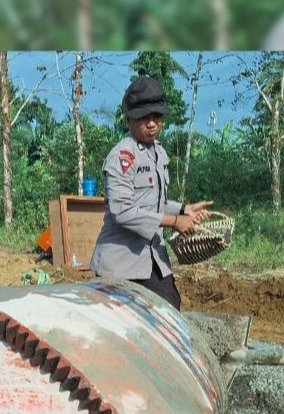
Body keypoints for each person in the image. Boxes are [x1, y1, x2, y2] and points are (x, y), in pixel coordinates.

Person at [90, 75, 212, 310]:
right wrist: (175, 221)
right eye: (144, 117)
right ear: (128, 119)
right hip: (121, 263)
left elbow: (153, 202)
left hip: (152, 255)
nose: (152, 123)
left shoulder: (159, 153)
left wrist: (184, 209)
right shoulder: (122, 157)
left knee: (170, 308)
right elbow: (122, 210)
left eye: (156, 116)